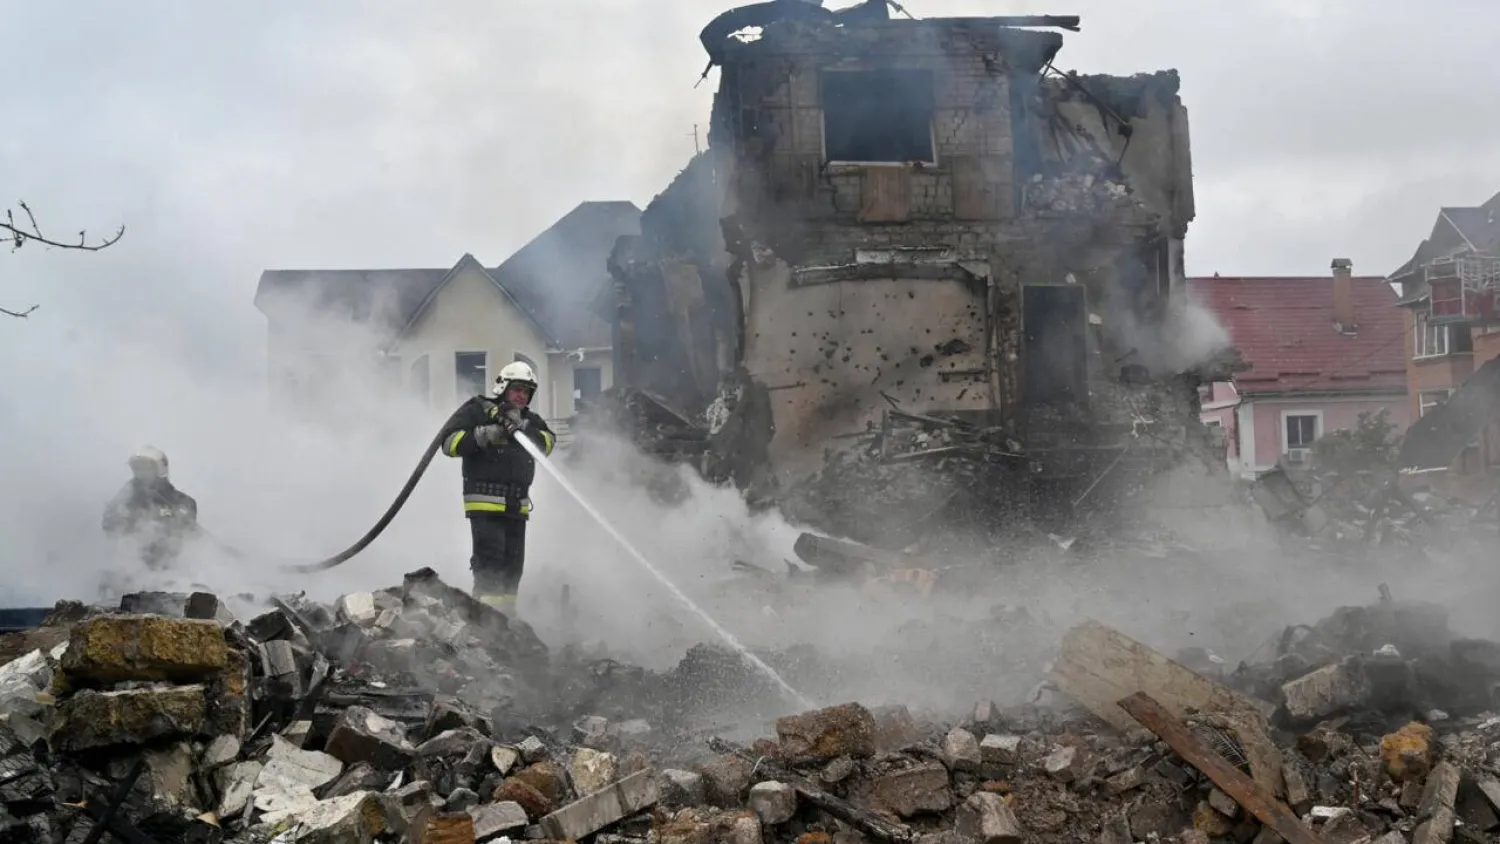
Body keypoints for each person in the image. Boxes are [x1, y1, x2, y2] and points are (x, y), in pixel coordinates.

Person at [439, 360, 556, 610]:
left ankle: (505, 625)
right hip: (485, 506)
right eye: (517, 389)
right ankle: (484, 625)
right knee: (490, 573)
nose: (521, 395)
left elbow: (547, 443)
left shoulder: (530, 421)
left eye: (526, 391)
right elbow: (448, 443)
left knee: (512, 573)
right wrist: (484, 435)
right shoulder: (477, 410)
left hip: (517, 509)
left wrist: (524, 429)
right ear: (502, 387)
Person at [102, 445, 200, 571]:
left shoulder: (181, 501)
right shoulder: (124, 498)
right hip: (130, 569)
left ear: (160, 469)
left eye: (146, 467)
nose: (141, 472)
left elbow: (189, 527)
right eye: (137, 468)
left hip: (171, 569)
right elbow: (108, 525)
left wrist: (175, 517)